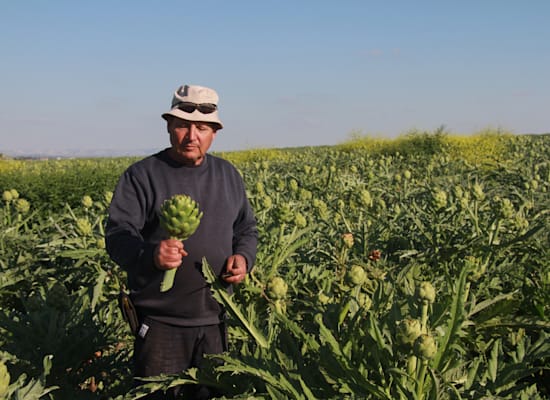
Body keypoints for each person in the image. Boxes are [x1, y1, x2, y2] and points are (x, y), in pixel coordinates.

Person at [105, 83, 258, 399]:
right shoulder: (142, 176)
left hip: (215, 320)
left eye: (202, 128)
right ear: (168, 127)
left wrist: (243, 257)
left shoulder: (228, 175)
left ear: (214, 131)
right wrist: (151, 255)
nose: (192, 136)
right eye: (183, 126)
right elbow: (117, 237)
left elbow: (246, 229)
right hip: (161, 326)